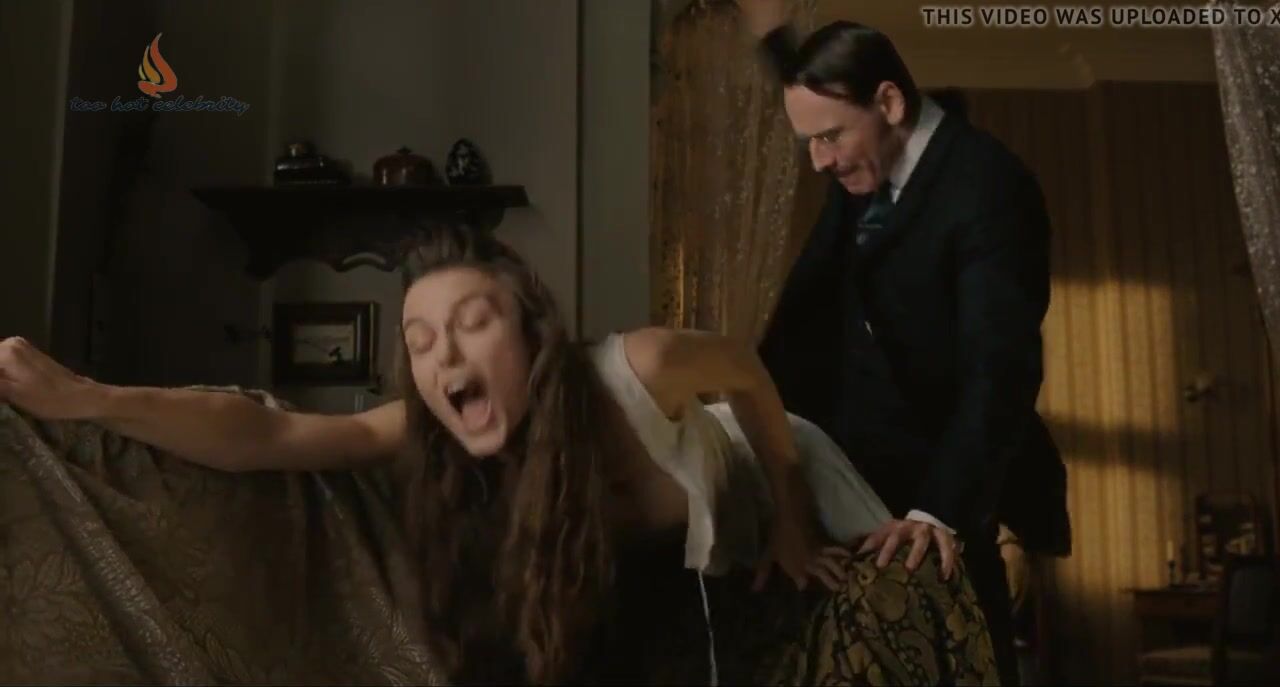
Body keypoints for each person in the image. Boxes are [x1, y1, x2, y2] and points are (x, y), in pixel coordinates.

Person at [0, 226, 998, 685]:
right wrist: (87, 400)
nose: (442, 358)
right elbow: (271, 434)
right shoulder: (435, 427)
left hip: (776, 474)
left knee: (915, 569)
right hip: (687, 579)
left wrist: (793, 520)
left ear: (530, 333)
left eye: (471, 324)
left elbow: (746, 372)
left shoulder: (639, 367)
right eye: (420, 341)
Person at [734, 2, 1072, 685]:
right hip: (841, 464)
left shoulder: (989, 189)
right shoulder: (867, 148)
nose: (818, 160)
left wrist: (938, 510)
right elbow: (825, 96)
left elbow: (1001, 370)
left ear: (889, 103)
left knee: (959, 658)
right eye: (809, 140)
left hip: (941, 486)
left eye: (829, 138)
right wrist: (775, 40)